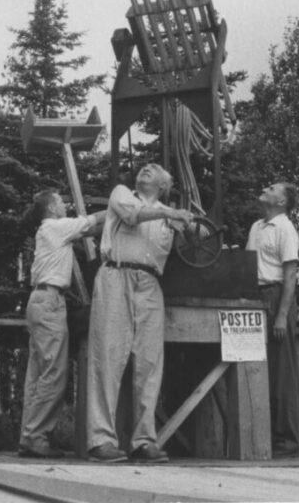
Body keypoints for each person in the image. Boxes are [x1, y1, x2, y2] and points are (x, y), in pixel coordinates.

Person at [86, 163, 193, 464]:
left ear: (164, 185)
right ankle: (101, 441)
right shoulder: (122, 194)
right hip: (115, 275)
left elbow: (188, 246)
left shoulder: (167, 217)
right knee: (108, 357)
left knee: (149, 363)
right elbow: (132, 215)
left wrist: (189, 226)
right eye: (144, 167)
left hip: (150, 284)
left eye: (154, 169)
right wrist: (172, 214)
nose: (147, 168)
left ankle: (143, 442)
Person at [18, 189, 106, 459]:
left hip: (40, 301)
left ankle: (30, 436)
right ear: (51, 209)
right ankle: (36, 437)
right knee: (54, 374)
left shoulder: (52, 230)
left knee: (38, 375)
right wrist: (123, 206)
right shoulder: (56, 226)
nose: (64, 204)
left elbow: (90, 231)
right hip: (49, 302)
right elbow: (92, 221)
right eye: (60, 201)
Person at [246, 181, 299, 459]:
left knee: (281, 371)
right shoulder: (256, 227)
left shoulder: (285, 228)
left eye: (272, 188)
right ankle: (263, 436)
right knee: (258, 367)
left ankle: (287, 442)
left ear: (281, 202)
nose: (266, 189)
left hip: (276, 295)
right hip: (255, 297)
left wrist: (282, 314)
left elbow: (290, 274)